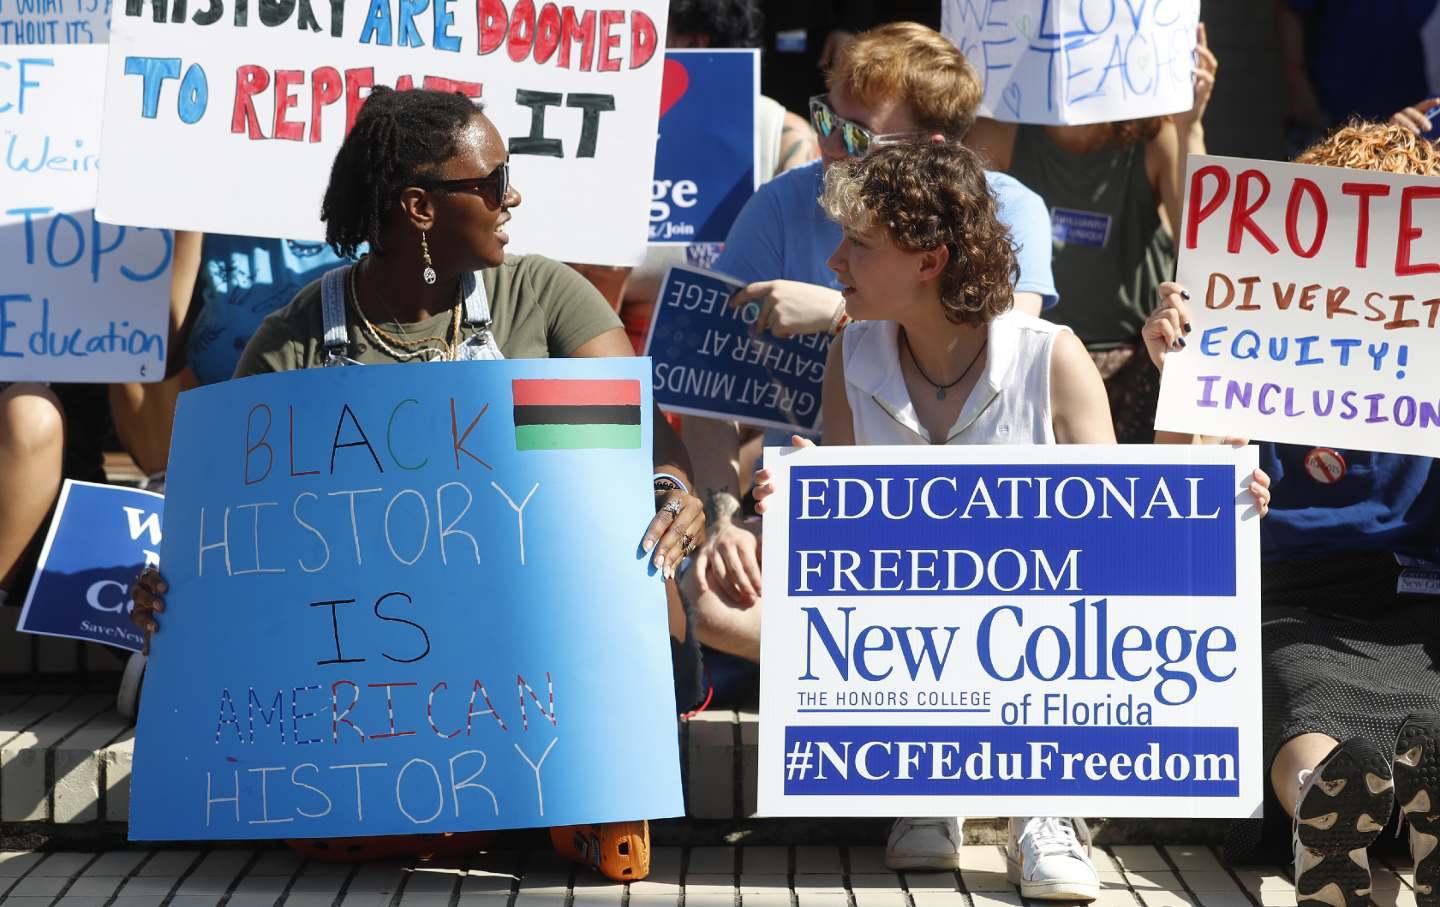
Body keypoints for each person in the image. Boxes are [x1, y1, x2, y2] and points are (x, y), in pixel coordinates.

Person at [130, 86, 705, 882]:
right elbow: (234, 528)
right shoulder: (297, 338)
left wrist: (673, 489)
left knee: (622, 562)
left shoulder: (540, 296)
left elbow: (637, 448)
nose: (514, 197)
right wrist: (177, 591)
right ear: (418, 207)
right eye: (492, 181)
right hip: (369, 697)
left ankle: (584, 788)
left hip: (525, 662)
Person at [680, 16, 1056, 733]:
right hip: (811, 506)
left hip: (963, 517)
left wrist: (835, 313)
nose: (827, 145)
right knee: (694, 593)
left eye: (855, 135)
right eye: (825, 118)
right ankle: (921, 686)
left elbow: (1011, 351)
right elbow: (706, 387)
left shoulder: (1009, 208)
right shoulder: (785, 202)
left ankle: (893, 694)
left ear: (932, 150)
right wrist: (724, 516)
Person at [1140, 119, 1440, 907]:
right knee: (1299, 685)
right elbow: (1180, 495)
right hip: (1287, 588)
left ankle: (1397, 821)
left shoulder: (1430, 349)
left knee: (1423, 718)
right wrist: (1182, 377)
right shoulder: (1250, 334)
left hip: (1418, 593)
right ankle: (1327, 816)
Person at [963, 23, 1217, 443]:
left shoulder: (1153, 136)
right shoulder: (1002, 131)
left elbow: (1204, 240)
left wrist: (1191, 124)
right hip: (1038, 358)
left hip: (1137, 354)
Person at [618, 0, 822, 353]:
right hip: (612, 345)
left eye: (633, 28)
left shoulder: (782, 136)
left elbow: (795, 287)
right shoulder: (594, 128)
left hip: (734, 358)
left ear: (694, 43)